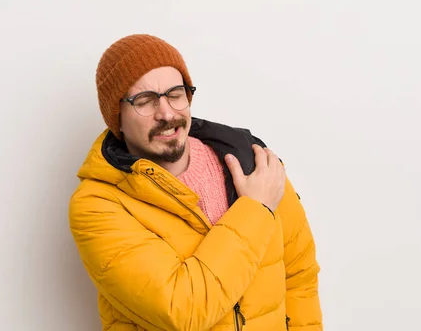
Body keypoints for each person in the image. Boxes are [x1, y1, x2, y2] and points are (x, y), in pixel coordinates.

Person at [69, 34, 322, 331]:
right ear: (118, 118)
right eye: (145, 101)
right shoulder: (97, 206)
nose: (166, 113)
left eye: (175, 94)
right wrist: (255, 209)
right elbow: (185, 311)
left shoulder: (253, 161)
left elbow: (299, 277)